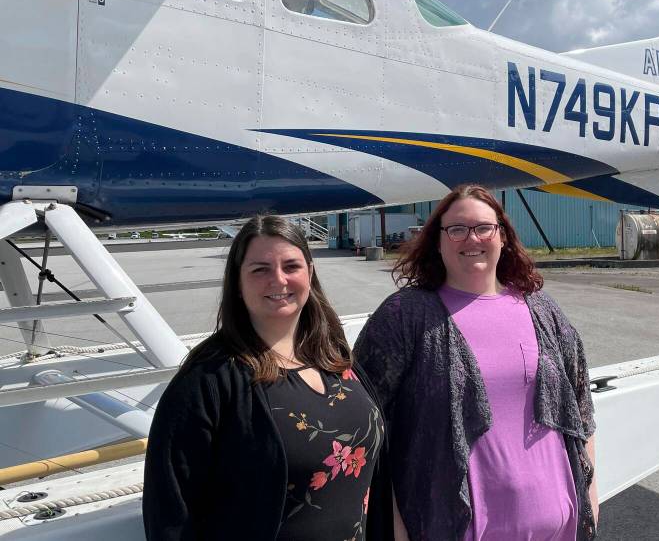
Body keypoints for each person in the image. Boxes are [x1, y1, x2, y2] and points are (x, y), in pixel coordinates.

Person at [354, 185, 598, 541]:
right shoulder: (404, 316)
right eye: (457, 229)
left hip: (558, 528)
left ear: (503, 236)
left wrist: (590, 498)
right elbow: (366, 429)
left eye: (484, 227)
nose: (472, 238)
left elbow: (582, 411)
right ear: (437, 241)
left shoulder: (542, 309)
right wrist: (392, 524)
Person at [143, 215, 391, 540]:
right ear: (238, 282)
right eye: (260, 269)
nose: (279, 279)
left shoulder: (336, 358)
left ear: (310, 273)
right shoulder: (208, 380)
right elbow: (170, 514)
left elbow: (379, 477)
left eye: (291, 266)